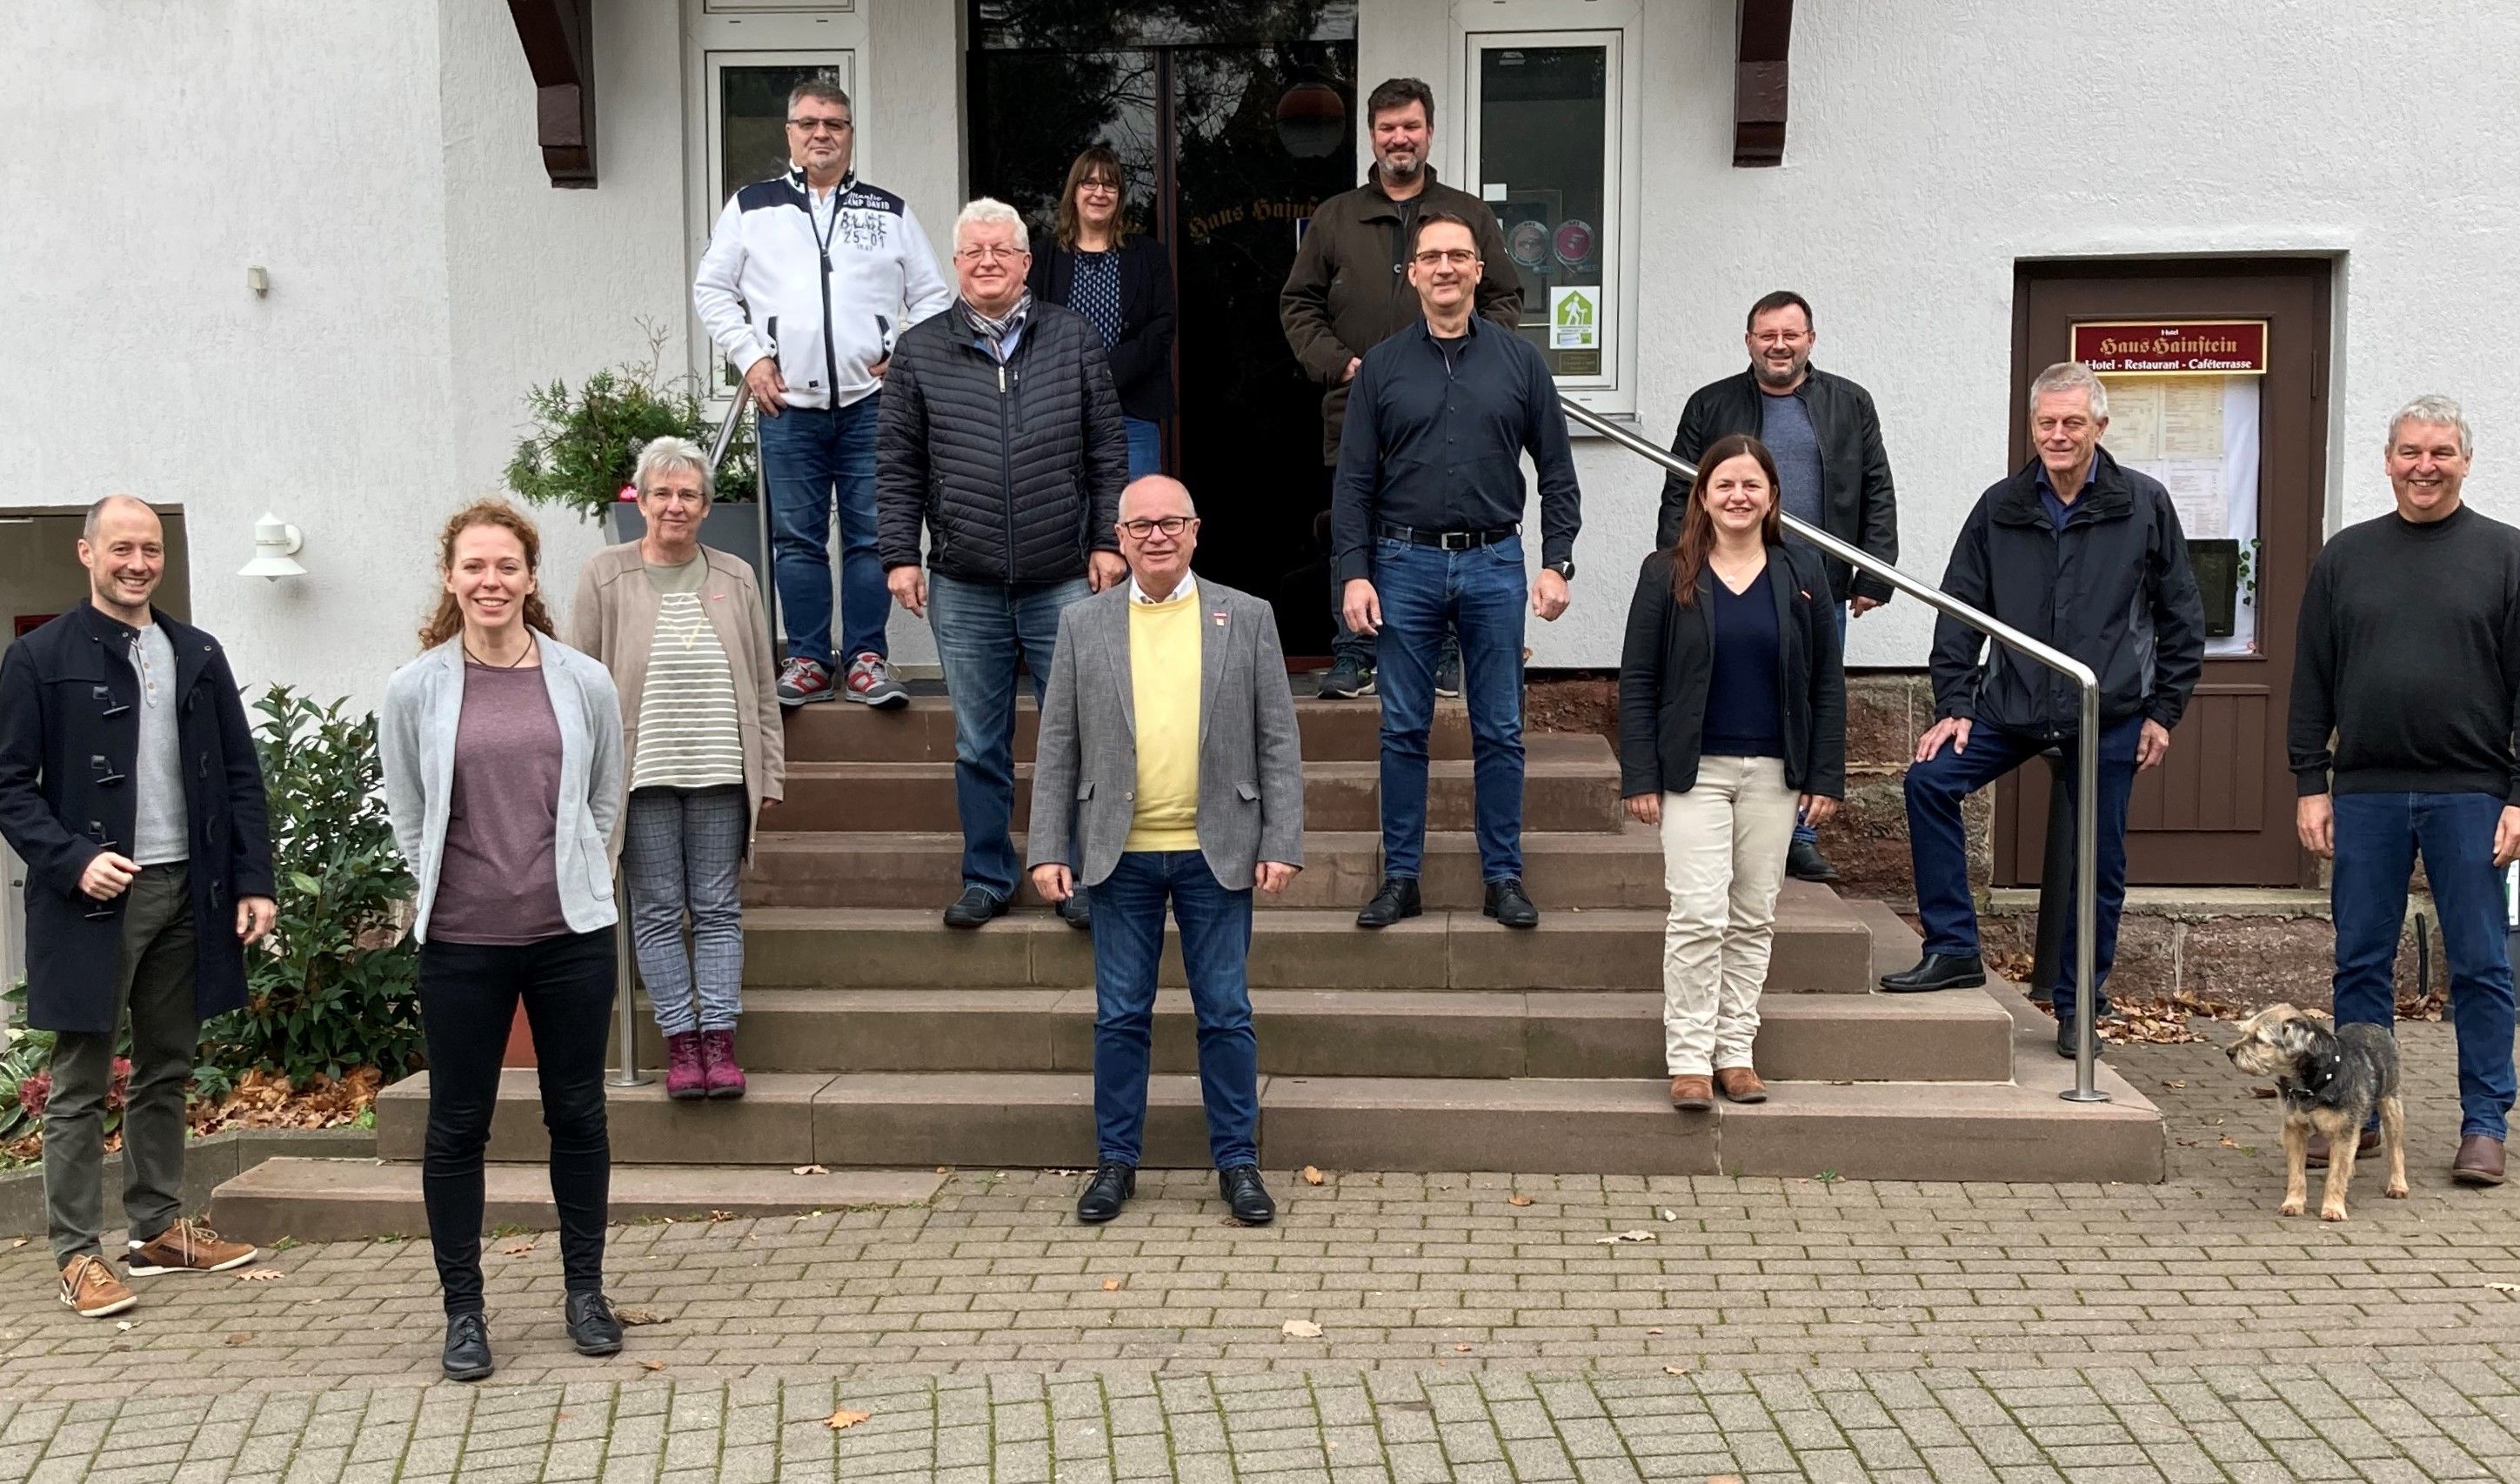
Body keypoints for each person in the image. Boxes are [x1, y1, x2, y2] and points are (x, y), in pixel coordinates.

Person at [0, 496, 274, 1319]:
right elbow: (8, 786)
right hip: (93, 899)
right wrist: (74, 860)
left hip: (191, 889)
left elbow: (239, 777)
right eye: (121, 547)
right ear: (87, 553)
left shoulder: (197, 652)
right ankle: (77, 1256)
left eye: (150, 549)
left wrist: (254, 880)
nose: (137, 563)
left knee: (170, 1065)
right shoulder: (39, 657)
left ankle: (156, 1229)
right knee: (82, 1080)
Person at [1883, 363, 2205, 1060]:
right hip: (2012, 705)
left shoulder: (2142, 504)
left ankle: (2076, 1003)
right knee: (1928, 782)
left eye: (2072, 423)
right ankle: (1953, 949)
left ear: (2099, 428)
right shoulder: (2000, 504)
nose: (2057, 435)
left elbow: (2182, 616)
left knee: (2098, 860)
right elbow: (1957, 612)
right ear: (2031, 427)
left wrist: (2163, 713)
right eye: (2045, 423)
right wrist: (1954, 705)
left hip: (2107, 711)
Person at [380, 500, 627, 1382]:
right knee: (456, 1125)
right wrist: (457, 884)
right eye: (474, 566)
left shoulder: (582, 679)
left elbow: (606, 797)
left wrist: (577, 873)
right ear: (450, 577)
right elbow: (409, 813)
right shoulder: (415, 688)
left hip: (568, 936)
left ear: (530, 576)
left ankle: (585, 1292)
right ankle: (463, 1311)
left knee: (578, 1114)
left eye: (507, 566)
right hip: (460, 940)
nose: (491, 581)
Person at [1027, 475, 1304, 1226]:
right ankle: (1115, 1163)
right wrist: (1048, 846)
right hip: (1118, 856)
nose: (1155, 535)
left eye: (1170, 523)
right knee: (1120, 1016)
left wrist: (1281, 839)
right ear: (1118, 537)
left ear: (1194, 531)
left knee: (1224, 1013)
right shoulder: (1082, 624)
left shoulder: (1245, 618)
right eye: (1140, 524)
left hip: (1218, 850)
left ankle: (1237, 1164)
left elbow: (1278, 739)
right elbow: (1058, 746)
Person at [877, 197, 1129, 930]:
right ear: (955, 266)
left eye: (1001, 250)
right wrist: (900, 555)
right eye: (972, 251)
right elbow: (897, 464)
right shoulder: (920, 351)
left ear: (1025, 262)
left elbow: (1107, 450)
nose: (987, 261)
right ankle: (988, 875)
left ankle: (1074, 874)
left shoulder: (1074, 338)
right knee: (979, 742)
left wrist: (1108, 541)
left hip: (1064, 578)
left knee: (1073, 732)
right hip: (964, 579)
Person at [2290, 395, 2518, 1187]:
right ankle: (2350, 1114)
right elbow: (2311, 679)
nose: (2425, 466)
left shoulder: (2504, 555)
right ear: (2386, 460)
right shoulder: (2345, 557)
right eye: (2411, 452)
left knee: (2482, 963)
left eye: (2441, 452)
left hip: (2471, 794)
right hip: (2366, 794)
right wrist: (2308, 784)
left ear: (2465, 461)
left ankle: (2483, 1125)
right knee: (2359, 961)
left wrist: (2518, 797)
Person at [1334, 211, 1580, 932]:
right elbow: (1351, 482)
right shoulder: (1380, 366)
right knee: (1401, 728)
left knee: (1499, 728)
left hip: (1494, 561)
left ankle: (1503, 877)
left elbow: (1558, 473)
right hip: (1401, 562)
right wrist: (1353, 572)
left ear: (1478, 271)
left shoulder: (1519, 363)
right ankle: (1401, 878)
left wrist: (1556, 560)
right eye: (1430, 257)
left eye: (1458, 257)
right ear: (1411, 275)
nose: (1444, 268)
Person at [693, 73, 951, 709]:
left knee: (872, 536)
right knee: (798, 539)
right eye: (808, 124)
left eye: (833, 125)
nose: (821, 135)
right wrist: (752, 359)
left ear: (850, 136)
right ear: (790, 134)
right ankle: (807, 658)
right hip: (787, 405)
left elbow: (933, 295)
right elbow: (712, 290)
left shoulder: (887, 211)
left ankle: (866, 658)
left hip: (873, 407)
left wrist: (904, 352)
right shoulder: (751, 207)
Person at [1619, 438, 1845, 1112]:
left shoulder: (1800, 571)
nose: (1738, 496)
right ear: (1703, 495)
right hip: (1694, 772)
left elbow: (1826, 684)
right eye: (1724, 485)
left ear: (1772, 496)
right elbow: (1637, 681)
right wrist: (1639, 775)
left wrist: (1825, 775)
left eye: (1751, 484)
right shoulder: (1666, 572)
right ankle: (1688, 1059)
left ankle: (1734, 1053)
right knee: (1696, 913)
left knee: (1752, 915)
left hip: (1775, 772)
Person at [1281, 76, 1520, 701]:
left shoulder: (1467, 214)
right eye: (1387, 128)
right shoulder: (1336, 216)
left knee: (1441, 522)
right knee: (1350, 527)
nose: (1399, 138)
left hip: (1452, 411)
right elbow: (1297, 304)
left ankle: (1441, 653)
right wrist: (1339, 364)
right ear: (1371, 136)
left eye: (1409, 126)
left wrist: (1469, 363)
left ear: (1429, 131)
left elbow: (1504, 298)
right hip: (1356, 403)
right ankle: (1355, 654)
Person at [1657, 291, 1898, 885]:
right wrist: (1674, 567)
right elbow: (1677, 494)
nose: (1778, 345)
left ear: (1810, 340)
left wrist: (1873, 573)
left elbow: (1876, 487)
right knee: (1726, 696)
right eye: (1766, 335)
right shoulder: (1710, 404)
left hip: (1814, 584)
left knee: (1810, 699)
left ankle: (1800, 834)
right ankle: (1721, 814)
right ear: (1748, 342)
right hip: (1722, 578)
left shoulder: (1848, 403)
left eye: (1790, 335)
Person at [570, 437, 785, 1103]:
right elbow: (576, 683)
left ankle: (718, 1041)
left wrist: (769, 772)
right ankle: (680, 1044)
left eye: (688, 493)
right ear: (639, 499)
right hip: (641, 776)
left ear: (706, 504)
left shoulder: (736, 575)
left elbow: (761, 681)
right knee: (659, 911)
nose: (674, 505)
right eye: (661, 492)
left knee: (718, 909)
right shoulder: (605, 575)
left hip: (721, 769)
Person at [1028, 146, 1174, 482]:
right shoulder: (1045, 256)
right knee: (1067, 522)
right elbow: (1029, 326)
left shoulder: (1148, 256)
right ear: (1074, 192)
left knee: (1133, 521)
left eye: (1109, 185)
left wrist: (1106, 373)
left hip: (1132, 413)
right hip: (1062, 415)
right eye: (1089, 183)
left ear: (1120, 196)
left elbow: (1162, 326)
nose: (1099, 193)